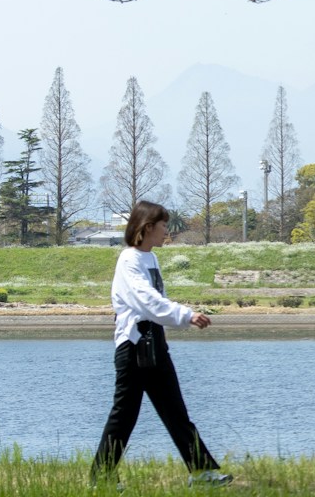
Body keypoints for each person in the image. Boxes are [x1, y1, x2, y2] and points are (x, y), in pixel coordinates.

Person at [93, 201, 230, 480]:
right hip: (132, 346)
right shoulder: (128, 259)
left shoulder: (151, 258)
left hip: (154, 343)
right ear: (147, 227)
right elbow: (147, 301)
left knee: (175, 411)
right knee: (124, 416)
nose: (167, 230)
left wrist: (176, 320)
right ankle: (101, 477)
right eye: (163, 225)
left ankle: (202, 472)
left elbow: (158, 303)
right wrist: (186, 315)